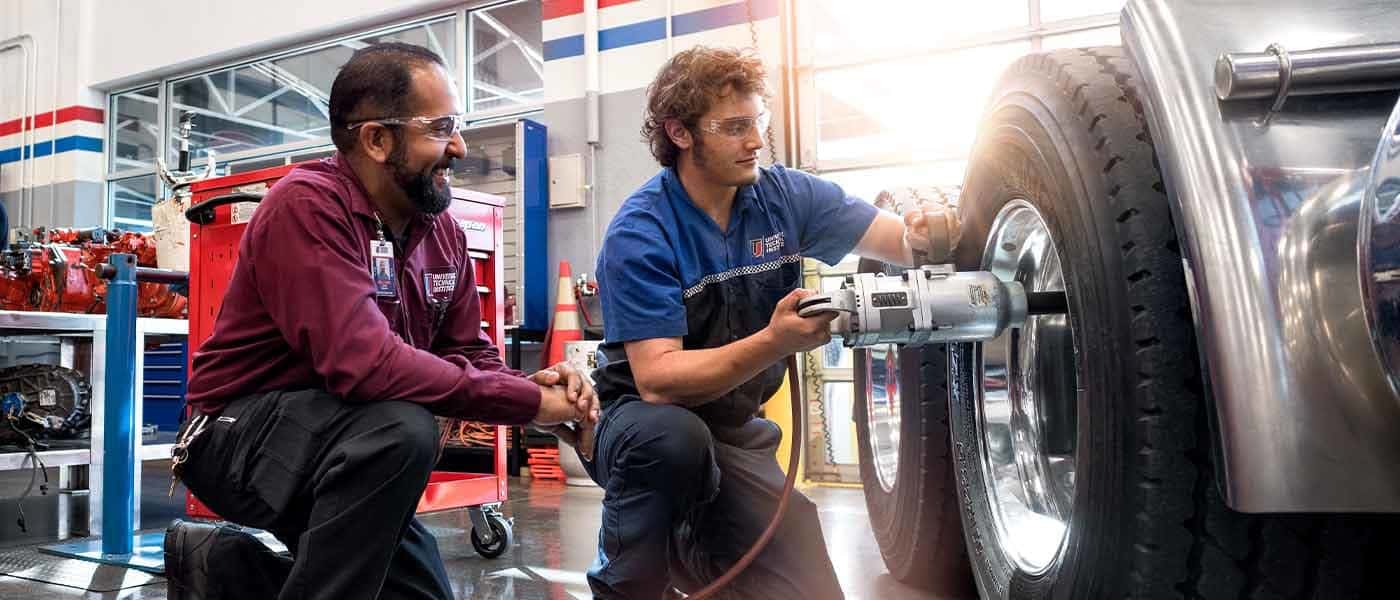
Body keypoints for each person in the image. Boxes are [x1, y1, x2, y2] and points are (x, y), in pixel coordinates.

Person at [163, 42, 597, 600]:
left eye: (457, 126)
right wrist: (530, 404)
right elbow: (363, 364)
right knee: (402, 429)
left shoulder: (441, 231)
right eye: (440, 128)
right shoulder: (306, 207)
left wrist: (533, 388)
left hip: (346, 442)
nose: (459, 147)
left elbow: (470, 351)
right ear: (376, 139)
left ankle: (222, 568)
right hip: (234, 438)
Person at [585, 46, 948, 599]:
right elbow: (658, 382)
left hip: (735, 432)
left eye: (759, 121)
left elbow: (896, 240)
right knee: (673, 442)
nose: (756, 140)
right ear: (679, 133)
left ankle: (698, 548)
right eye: (735, 127)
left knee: (806, 587)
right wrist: (775, 341)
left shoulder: (785, 197)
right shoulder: (642, 231)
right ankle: (629, 583)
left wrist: (925, 232)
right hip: (643, 426)